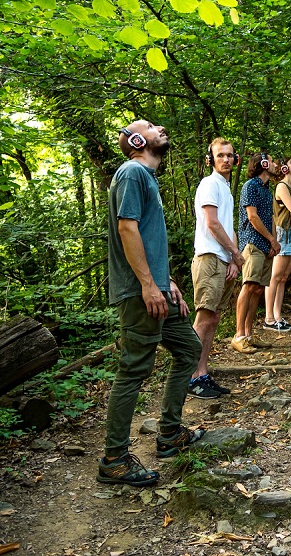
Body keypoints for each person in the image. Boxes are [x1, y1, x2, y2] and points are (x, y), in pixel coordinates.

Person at [98, 120, 203, 488]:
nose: (161, 127)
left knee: (189, 349)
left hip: (158, 289)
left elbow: (147, 236)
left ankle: (170, 433)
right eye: (150, 126)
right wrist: (146, 284)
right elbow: (127, 229)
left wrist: (166, 281)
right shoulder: (131, 172)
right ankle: (114, 460)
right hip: (140, 292)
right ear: (137, 140)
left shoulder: (147, 178)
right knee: (133, 370)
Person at [188, 138, 242, 399]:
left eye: (230, 155)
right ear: (210, 159)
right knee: (204, 318)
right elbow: (211, 223)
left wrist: (232, 259)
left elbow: (227, 224)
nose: (226, 160)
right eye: (220, 155)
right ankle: (189, 377)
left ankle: (202, 373)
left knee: (215, 318)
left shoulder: (225, 187)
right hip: (209, 257)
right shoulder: (209, 184)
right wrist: (234, 251)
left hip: (222, 259)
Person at [232, 152, 280, 353]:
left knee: (259, 289)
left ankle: (249, 335)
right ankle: (238, 335)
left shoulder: (267, 191)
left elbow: (269, 218)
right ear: (263, 163)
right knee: (249, 286)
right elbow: (252, 217)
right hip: (252, 243)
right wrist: (270, 239)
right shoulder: (250, 186)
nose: (276, 164)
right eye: (272, 160)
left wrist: (273, 242)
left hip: (266, 245)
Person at [264, 158, 291, 331]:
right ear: (285, 168)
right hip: (284, 234)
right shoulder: (282, 186)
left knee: (283, 277)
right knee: (275, 276)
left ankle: (278, 315)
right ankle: (269, 318)